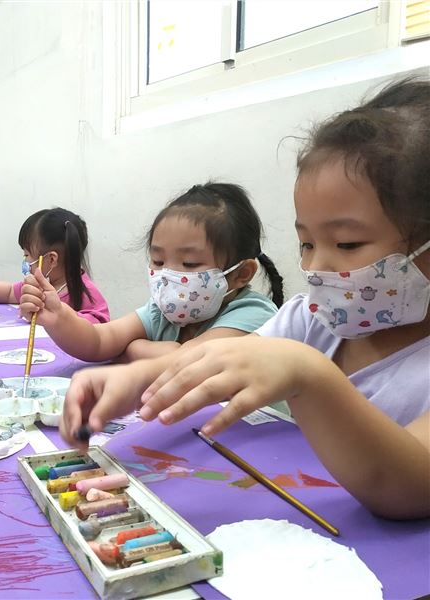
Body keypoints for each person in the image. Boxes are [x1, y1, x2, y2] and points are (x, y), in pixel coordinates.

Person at [61, 77, 430, 519]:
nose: (315, 266)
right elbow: (214, 361)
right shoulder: (312, 320)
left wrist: (310, 375)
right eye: (307, 243)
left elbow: (408, 489)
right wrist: (136, 381)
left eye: (347, 244)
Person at [20, 183, 284, 362]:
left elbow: (190, 363)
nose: (168, 275)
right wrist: (59, 317)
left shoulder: (254, 315)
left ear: (241, 274)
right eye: (158, 261)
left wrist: (133, 349)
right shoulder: (161, 313)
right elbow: (100, 341)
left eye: (189, 264)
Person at [0, 208, 111, 324]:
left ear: (51, 259)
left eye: (27, 255)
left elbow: (100, 330)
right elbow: (9, 292)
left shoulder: (87, 293)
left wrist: (57, 315)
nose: (25, 261)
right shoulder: (39, 286)